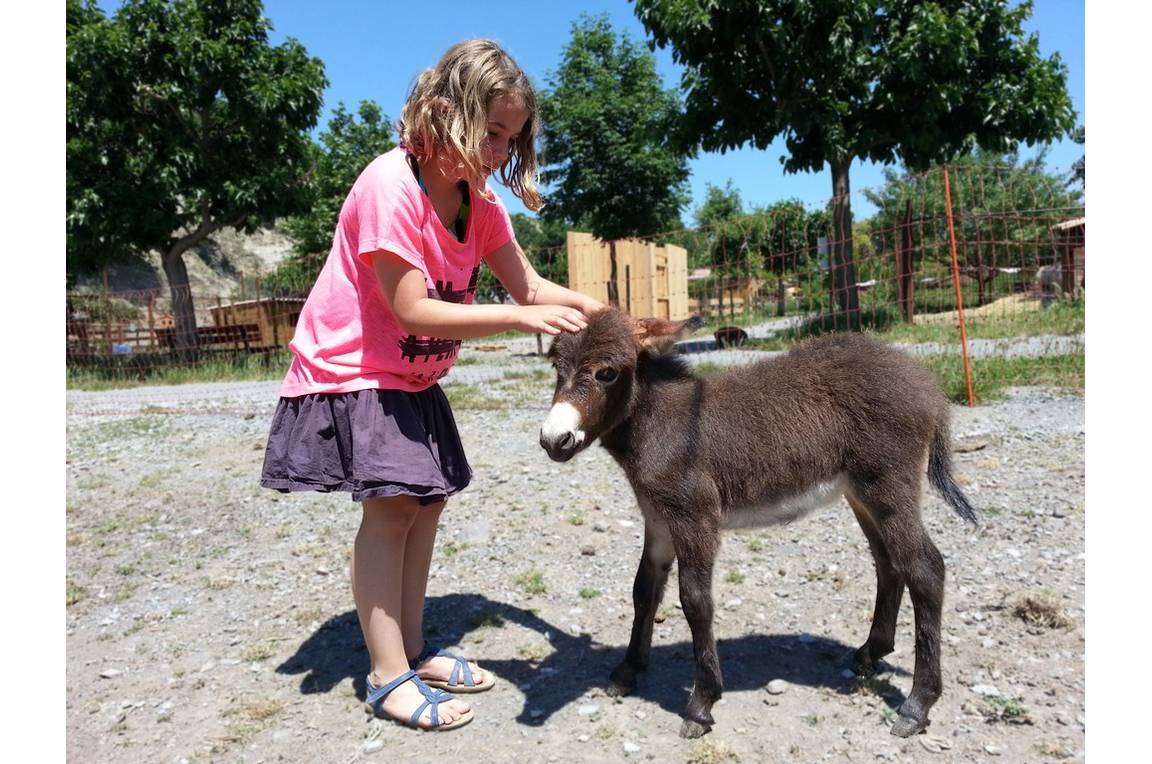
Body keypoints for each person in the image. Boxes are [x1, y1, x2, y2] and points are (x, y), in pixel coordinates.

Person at [260, 39, 603, 731]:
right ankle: (387, 677)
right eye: (492, 132)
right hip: (355, 368)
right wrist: (519, 316)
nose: (501, 151)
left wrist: (611, 316)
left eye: (512, 138)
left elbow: (530, 284)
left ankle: (411, 649)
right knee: (390, 511)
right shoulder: (389, 184)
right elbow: (411, 308)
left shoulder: (481, 206)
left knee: (426, 504)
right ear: (445, 112)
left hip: (413, 375)